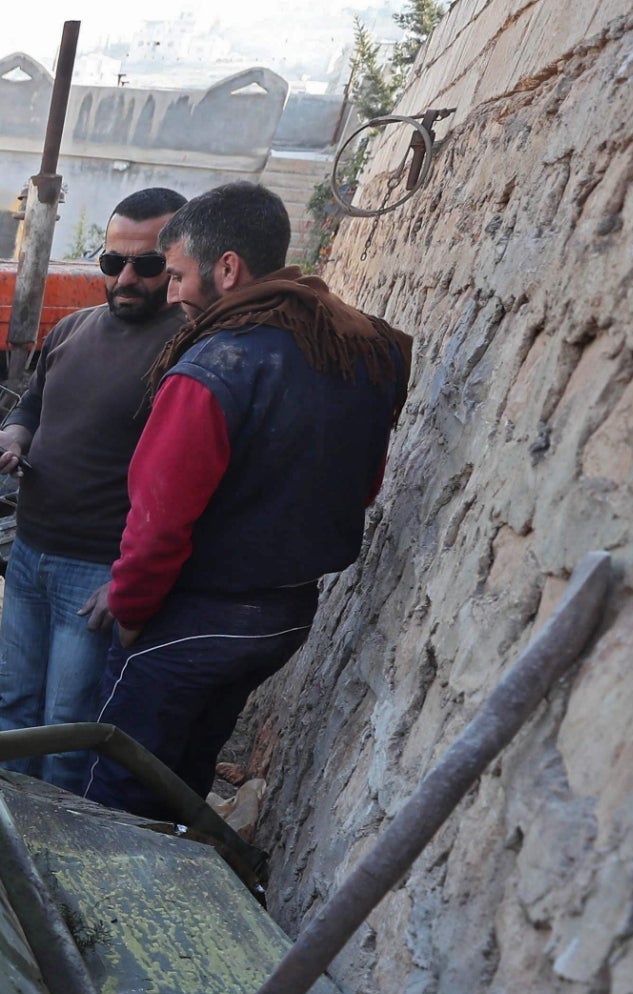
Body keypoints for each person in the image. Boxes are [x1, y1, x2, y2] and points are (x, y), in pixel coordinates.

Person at [82, 181, 411, 817]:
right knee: (186, 780)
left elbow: (157, 524)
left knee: (118, 790)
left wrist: (129, 613)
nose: (171, 292)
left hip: (193, 617)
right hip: (285, 615)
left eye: (176, 274)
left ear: (227, 269)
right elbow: (366, 482)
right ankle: (173, 894)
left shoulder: (215, 366)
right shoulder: (360, 346)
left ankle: (97, 911)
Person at [0, 186, 185, 790]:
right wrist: (15, 438)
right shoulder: (72, 329)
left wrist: (125, 579)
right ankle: (4, 830)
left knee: (67, 730)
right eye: (112, 262)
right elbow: (33, 404)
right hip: (29, 555)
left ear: (176, 263)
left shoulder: (187, 349)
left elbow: (183, 485)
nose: (126, 278)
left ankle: (53, 853)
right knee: (15, 711)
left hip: (95, 572)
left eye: (146, 266)